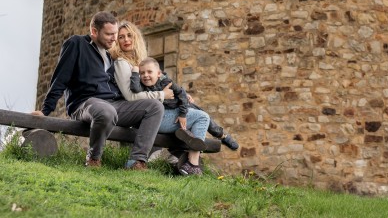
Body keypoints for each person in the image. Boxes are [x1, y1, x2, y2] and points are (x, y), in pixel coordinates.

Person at [31, 11, 164, 170]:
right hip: (85, 104)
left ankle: (136, 161)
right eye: (109, 34)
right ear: (94, 31)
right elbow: (60, 78)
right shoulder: (77, 44)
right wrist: (45, 109)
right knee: (106, 111)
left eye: (115, 34)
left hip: (114, 104)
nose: (115, 39)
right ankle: (93, 158)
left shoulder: (110, 56)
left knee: (155, 106)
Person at [111, 21, 239, 151]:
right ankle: (216, 138)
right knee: (199, 115)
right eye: (121, 37)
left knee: (189, 105)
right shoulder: (122, 63)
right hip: (145, 111)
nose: (126, 40)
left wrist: (179, 93)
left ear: (136, 37)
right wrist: (162, 94)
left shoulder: (141, 60)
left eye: (129, 35)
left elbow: (163, 79)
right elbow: (131, 95)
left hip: (157, 105)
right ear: (117, 41)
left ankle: (215, 136)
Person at [131, 57, 210, 175]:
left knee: (197, 116)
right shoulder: (141, 86)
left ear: (159, 73)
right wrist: (135, 73)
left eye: (149, 72)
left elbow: (180, 92)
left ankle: (187, 141)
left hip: (163, 118)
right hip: (156, 119)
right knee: (202, 117)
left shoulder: (165, 82)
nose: (145, 75)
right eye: (142, 73)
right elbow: (135, 88)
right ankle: (193, 163)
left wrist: (183, 113)